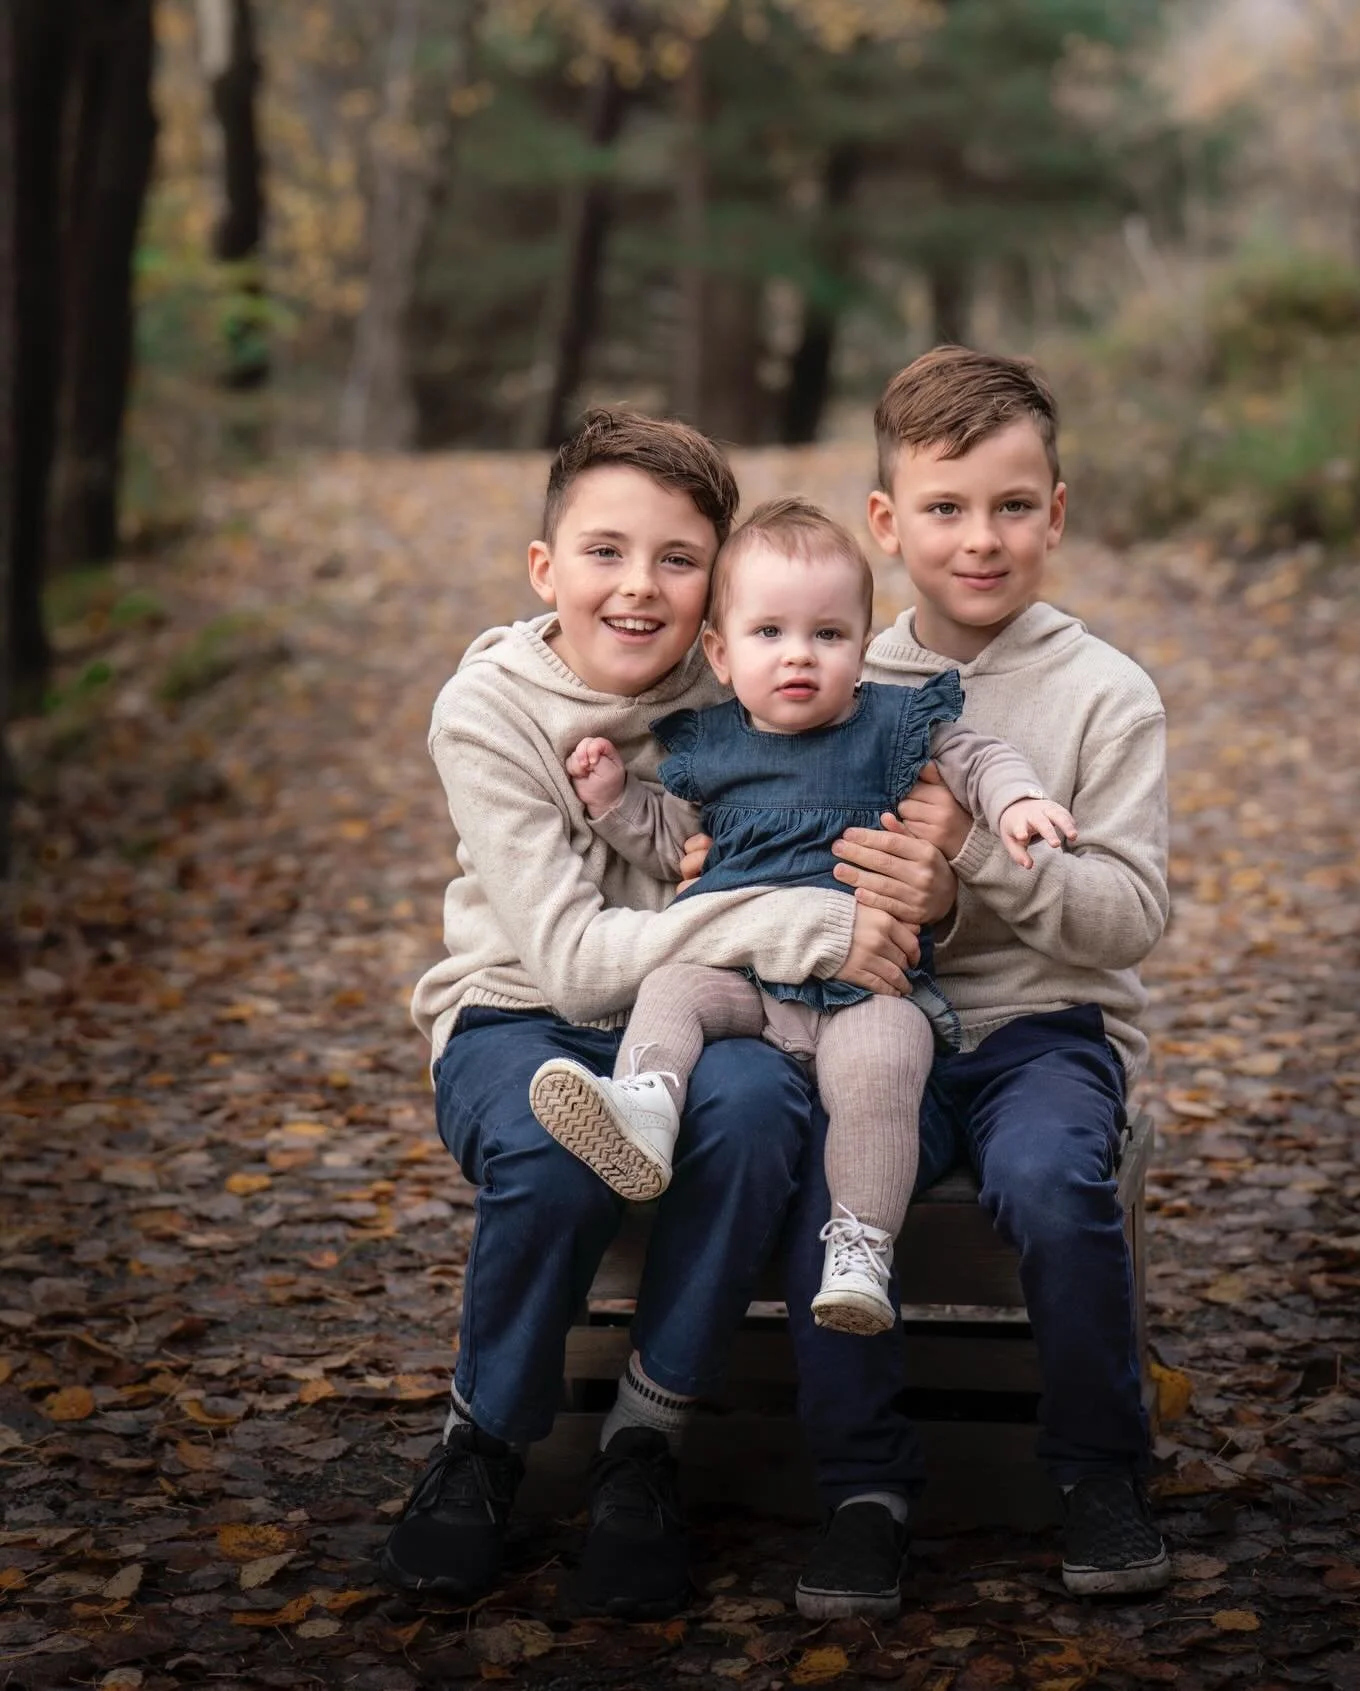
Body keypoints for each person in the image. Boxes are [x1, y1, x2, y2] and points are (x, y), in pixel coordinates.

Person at [378, 410, 939, 1621]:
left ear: (717, 583)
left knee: (752, 1116)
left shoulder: (748, 675)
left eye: (678, 561)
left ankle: (646, 1437)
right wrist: (787, 927)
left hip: (714, 1024)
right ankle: (483, 1439)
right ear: (546, 567)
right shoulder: (488, 709)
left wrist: (929, 868)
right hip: (525, 1009)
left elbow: (889, 762)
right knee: (548, 1150)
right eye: (605, 552)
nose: (640, 588)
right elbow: (577, 965)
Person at [729, 348, 1169, 1617]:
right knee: (839, 1192)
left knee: (1048, 1176)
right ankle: (866, 1489)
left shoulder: (1106, 696)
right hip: (876, 1028)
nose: (981, 540)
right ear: (887, 522)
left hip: (1044, 1031)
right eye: (945, 508)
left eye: (1012, 507)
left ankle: (1099, 1469)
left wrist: (968, 874)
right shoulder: (830, 667)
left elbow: (1130, 914)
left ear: (1057, 512)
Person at [526, 497, 1077, 1337]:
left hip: (866, 986)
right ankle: (643, 1105)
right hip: (745, 983)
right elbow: (674, 844)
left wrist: (1017, 802)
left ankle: (861, 1246)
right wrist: (612, 801)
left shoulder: (892, 726)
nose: (799, 657)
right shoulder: (712, 746)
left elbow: (978, 757)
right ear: (720, 649)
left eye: (828, 635)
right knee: (671, 985)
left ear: (864, 648)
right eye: (769, 633)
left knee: (886, 1068)